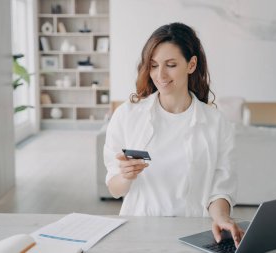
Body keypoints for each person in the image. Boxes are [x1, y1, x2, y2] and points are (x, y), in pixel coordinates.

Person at [103, 22, 244, 247]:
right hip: (138, 231)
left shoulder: (217, 123)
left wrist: (222, 218)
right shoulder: (127, 116)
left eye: (170, 65)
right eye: (153, 65)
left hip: (192, 232)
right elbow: (114, 187)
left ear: (191, 64)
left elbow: (220, 188)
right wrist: (126, 176)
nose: (160, 75)